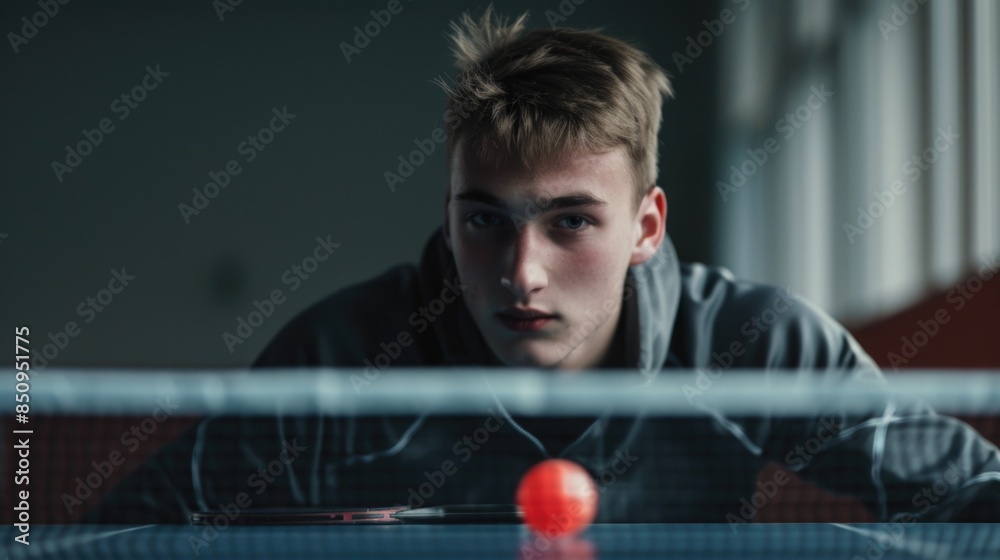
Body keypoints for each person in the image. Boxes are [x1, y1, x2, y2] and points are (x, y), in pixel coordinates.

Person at [86, 7, 999, 526]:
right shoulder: (342, 359)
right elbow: (104, 539)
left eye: (571, 222)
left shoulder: (755, 341)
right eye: (483, 220)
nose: (520, 270)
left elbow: (972, 493)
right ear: (446, 213)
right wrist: (281, 548)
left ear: (646, 226)